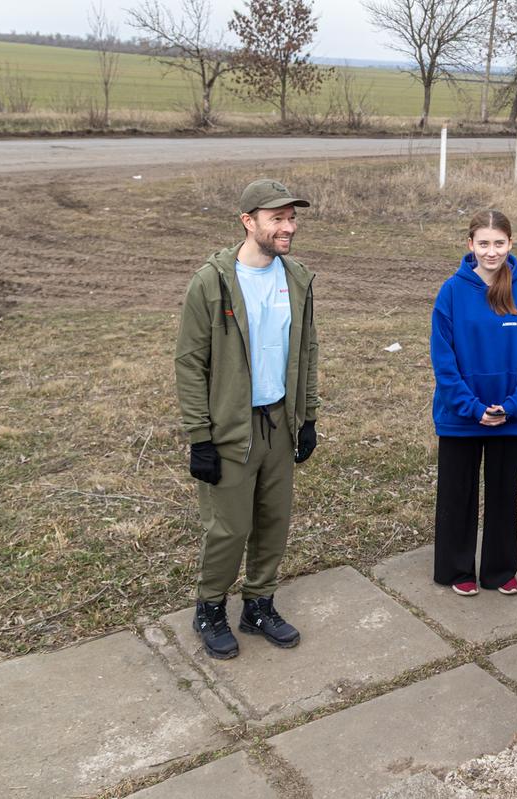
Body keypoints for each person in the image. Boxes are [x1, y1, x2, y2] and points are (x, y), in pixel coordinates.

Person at [175, 178, 321, 660]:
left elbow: (307, 350)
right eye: (277, 218)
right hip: (229, 428)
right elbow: (189, 363)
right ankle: (210, 609)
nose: (288, 227)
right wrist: (201, 437)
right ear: (248, 221)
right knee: (229, 528)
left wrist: (307, 417)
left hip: (279, 420)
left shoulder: (296, 278)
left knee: (273, 521)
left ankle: (258, 604)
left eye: (291, 218)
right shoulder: (211, 282)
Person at [430, 210, 517, 597]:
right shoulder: (452, 292)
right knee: (457, 495)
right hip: (461, 417)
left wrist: (513, 405)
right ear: (470, 245)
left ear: (510, 244)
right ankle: (456, 567)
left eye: (498, 243)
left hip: (508, 417)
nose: (491, 251)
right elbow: (444, 362)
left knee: (502, 496)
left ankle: (499, 569)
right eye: (483, 243)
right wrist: (472, 407)